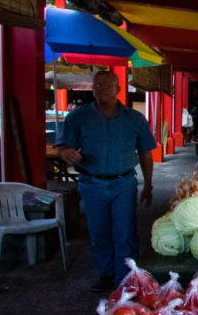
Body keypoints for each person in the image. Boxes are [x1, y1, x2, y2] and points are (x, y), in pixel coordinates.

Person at [57, 70, 157, 292]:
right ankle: (106, 274)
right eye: (97, 85)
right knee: (99, 232)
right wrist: (66, 153)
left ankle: (127, 278)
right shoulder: (78, 117)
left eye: (106, 85)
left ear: (118, 90)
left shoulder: (135, 119)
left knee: (125, 232)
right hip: (91, 182)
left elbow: (146, 153)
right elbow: (64, 146)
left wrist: (148, 184)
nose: (100, 88)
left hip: (123, 183)